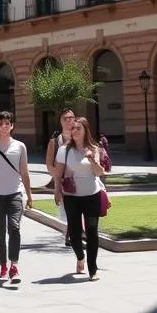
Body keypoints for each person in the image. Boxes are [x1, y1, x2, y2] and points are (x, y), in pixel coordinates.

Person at [0, 111, 32, 283]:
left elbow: (24, 171)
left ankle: (14, 266)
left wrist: (29, 194)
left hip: (15, 193)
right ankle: (3, 266)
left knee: (14, 227)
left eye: (7, 123)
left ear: (12, 126)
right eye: (1, 123)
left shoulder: (20, 146)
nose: (4, 126)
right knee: (0, 232)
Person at [55, 116, 105, 280]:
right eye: (73, 128)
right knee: (75, 234)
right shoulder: (64, 150)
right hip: (72, 197)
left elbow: (99, 172)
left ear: (85, 130)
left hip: (92, 195)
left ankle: (93, 269)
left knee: (92, 231)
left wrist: (90, 158)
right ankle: (80, 257)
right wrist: (57, 190)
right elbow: (58, 172)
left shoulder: (94, 148)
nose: (74, 131)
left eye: (78, 128)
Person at [45, 108, 76, 247]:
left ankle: (74, 235)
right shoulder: (55, 142)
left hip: (80, 179)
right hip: (64, 182)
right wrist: (57, 183)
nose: (69, 120)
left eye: (71, 117)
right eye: (66, 118)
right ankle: (71, 235)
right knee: (70, 209)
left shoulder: (81, 137)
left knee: (80, 208)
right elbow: (49, 164)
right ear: (61, 122)